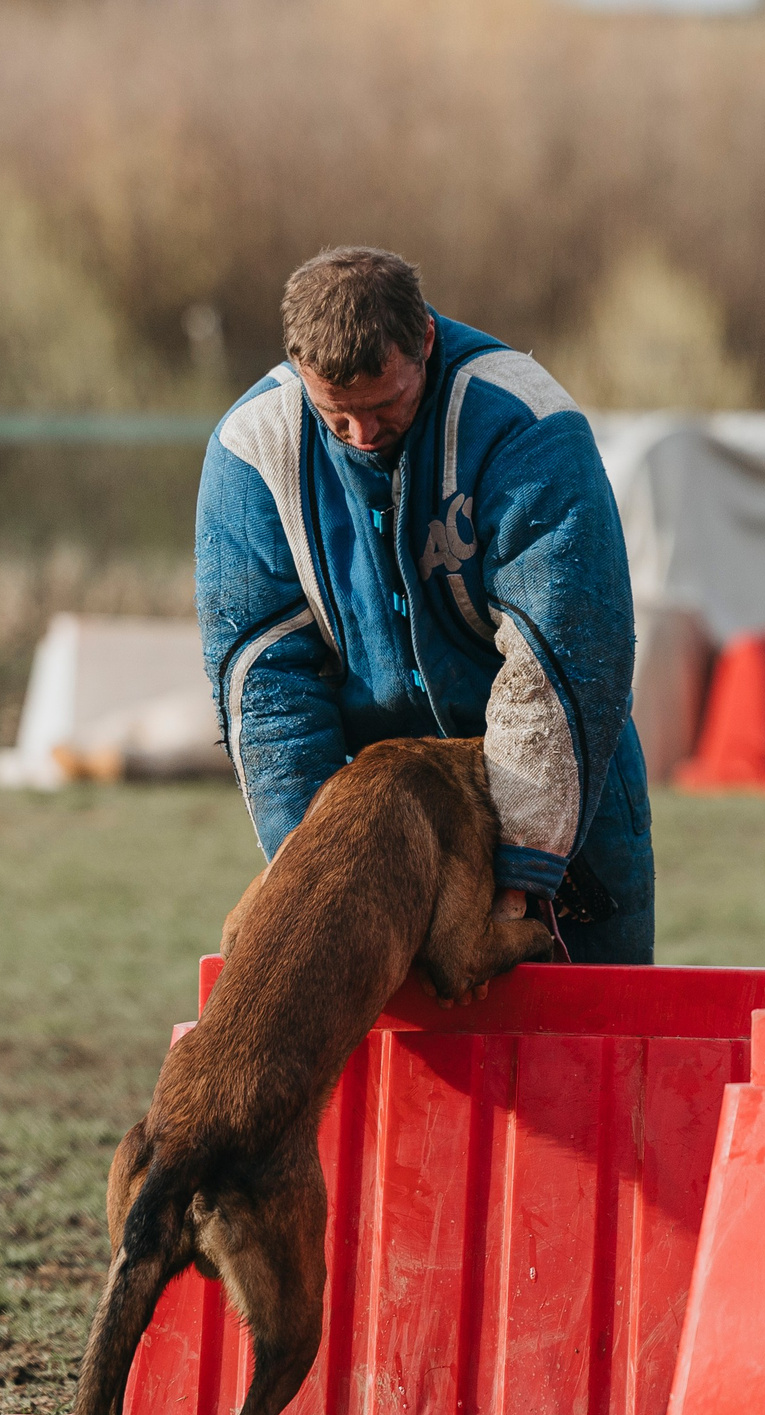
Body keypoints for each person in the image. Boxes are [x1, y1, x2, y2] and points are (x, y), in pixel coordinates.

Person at [194, 246, 652, 963]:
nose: (362, 435)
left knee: (587, 1040)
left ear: (426, 342)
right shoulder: (254, 451)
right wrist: (315, 868)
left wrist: (523, 868)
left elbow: (562, 653)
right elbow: (268, 682)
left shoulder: (525, 422)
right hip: (380, 813)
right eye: (336, 416)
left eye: (384, 406)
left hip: (561, 783)